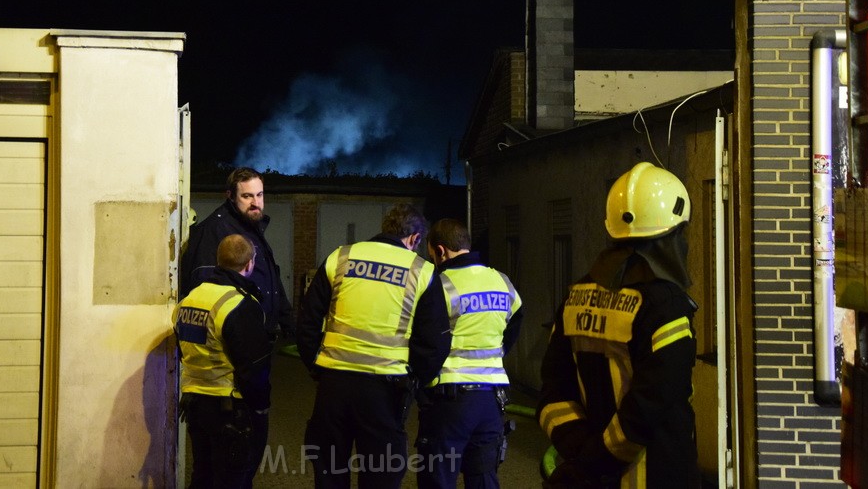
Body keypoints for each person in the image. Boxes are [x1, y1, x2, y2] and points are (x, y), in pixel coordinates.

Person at [537, 162, 700, 488]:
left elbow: (554, 397)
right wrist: (595, 461)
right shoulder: (666, 306)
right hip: (655, 476)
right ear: (673, 235)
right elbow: (651, 406)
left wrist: (580, 457)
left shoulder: (575, 297)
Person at [297, 203, 437, 489]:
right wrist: (416, 381)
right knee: (382, 473)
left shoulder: (341, 257)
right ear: (414, 239)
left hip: (333, 384)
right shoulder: (421, 271)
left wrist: (315, 365)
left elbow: (308, 320)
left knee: (330, 470)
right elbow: (433, 342)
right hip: (386, 390)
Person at [409, 218, 524, 489]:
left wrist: (420, 383)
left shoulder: (439, 284)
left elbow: (427, 343)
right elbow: (515, 321)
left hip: (450, 401)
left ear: (440, 251)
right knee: (484, 479)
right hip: (492, 402)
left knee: (438, 478)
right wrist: (495, 355)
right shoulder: (502, 281)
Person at [173, 233, 273, 489]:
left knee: (203, 475)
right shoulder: (239, 304)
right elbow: (254, 367)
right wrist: (261, 408)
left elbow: (182, 347)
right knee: (233, 479)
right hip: (230, 408)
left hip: (195, 405)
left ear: (218, 261)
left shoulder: (188, 300)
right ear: (249, 264)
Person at [179, 166, 293, 338]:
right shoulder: (216, 230)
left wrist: (288, 322)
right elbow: (203, 287)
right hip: (237, 336)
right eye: (247, 196)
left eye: (259, 195)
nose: (256, 203)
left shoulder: (251, 226)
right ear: (230, 196)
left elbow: (271, 277)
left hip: (259, 332)